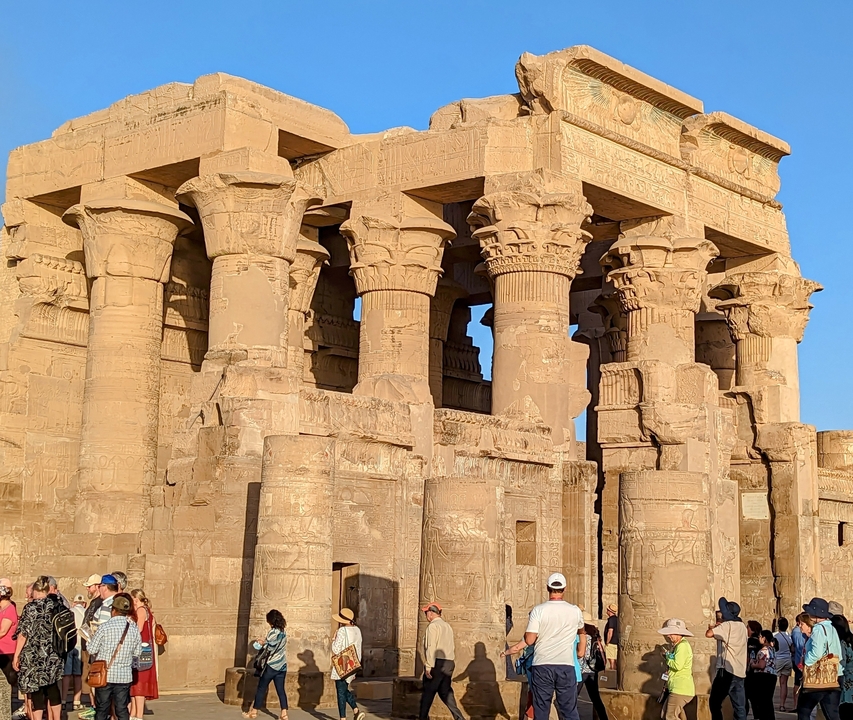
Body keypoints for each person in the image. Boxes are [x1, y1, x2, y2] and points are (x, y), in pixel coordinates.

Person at [501, 572, 585, 720]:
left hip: (543, 664)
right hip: (565, 664)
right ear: (564, 589)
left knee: (541, 710)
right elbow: (582, 631)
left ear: (548, 588)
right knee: (569, 710)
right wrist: (581, 649)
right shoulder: (575, 611)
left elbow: (530, 639)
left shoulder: (538, 610)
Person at [11, 576, 65, 720]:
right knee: (53, 688)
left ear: (35, 590)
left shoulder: (31, 608)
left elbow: (23, 634)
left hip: (33, 655)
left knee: (36, 691)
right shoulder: (57, 605)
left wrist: (16, 655)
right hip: (53, 654)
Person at [87, 593, 142, 720]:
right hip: (124, 676)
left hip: (105, 675)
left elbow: (91, 649)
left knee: (102, 708)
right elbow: (137, 652)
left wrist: (91, 640)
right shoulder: (133, 629)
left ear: (114, 610)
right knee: (122, 709)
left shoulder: (104, 627)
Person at [796, 599, 843, 720]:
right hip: (834, 675)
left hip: (818, 677)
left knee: (803, 711)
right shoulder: (832, 627)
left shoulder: (818, 629)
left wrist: (805, 662)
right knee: (832, 714)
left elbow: (816, 653)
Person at [419, 603, 463, 720]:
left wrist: (429, 666)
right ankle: (459, 718)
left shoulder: (433, 627)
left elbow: (431, 646)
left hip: (437, 663)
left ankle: (422, 718)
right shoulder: (447, 626)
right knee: (445, 692)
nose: (425, 615)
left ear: (431, 613)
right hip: (448, 662)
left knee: (428, 692)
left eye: (426, 612)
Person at [706, 597, 747, 720]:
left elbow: (709, 634)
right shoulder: (742, 626)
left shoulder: (727, 625)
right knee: (740, 707)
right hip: (739, 671)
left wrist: (714, 627)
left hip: (726, 671)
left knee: (715, 703)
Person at [242, 609, 287, 720]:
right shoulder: (283, 633)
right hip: (282, 665)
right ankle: (284, 714)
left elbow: (270, 648)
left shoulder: (273, 633)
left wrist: (261, 643)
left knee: (261, 688)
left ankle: (254, 712)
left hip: (271, 665)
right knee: (281, 690)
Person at [129, 590, 159, 720]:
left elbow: (138, 629)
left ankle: (138, 714)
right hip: (145, 649)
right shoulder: (147, 610)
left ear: (136, 599)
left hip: (141, 650)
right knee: (136, 682)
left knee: (139, 681)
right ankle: (134, 713)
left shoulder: (141, 610)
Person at [331, 608, 364, 720]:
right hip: (353, 663)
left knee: (340, 691)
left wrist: (333, 639)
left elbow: (336, 649)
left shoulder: (342, 631)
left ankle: (343, 718)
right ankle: (356, 710)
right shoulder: (357, 630)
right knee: (344, 689)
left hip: (342, 664)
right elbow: (358, 649)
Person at [658, 618, 694, 720]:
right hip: (677, 688)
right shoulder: (678, 646)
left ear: (679, 633)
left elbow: (678, 665)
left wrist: (667, 658)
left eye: (671, 633)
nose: (668, 636)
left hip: (680, 689)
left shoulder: (682, 646)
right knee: (669, 714)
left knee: (670, 716)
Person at [578, 613, 608, 720]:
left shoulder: (584, 637)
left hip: (582, 670)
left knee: (572, 699)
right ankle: (604, 718)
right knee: (596, 699)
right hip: (593, 670)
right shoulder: (596, 636)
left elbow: (583, 654)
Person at [60, 593, 85, 713]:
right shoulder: (86, 612)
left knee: (66, 674)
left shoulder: (70, 611)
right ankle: (77, 701)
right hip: (81, 644)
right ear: (84, 603)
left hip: (70, 644)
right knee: (78, 674)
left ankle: (64, 700)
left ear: (74, 603)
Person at [750, 630, 777, 720]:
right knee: (768, 700)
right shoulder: (772, 649)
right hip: (772, 675)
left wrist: (753, 665)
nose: (759, 638)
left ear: (764, 638)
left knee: (762, 700)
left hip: (763, 676)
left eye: (760, 636)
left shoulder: (763, 651)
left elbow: (762, 665)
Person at [0, 582, 18, 720]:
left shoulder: (10, 609)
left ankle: (5, 715)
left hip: (6, 652)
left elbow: (3, 631)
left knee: (5, 685)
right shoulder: (1, 609)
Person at [830, 614, 853, 720]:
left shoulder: (842, 643)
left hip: (846, 682)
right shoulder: (851, 640)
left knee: (845, 712)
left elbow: (841, 663)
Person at [775, 618, 794, 712]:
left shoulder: (775, 636)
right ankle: (782, 705)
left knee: (772, 682)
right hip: (787, 660)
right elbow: (792, 649)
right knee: (784, 684)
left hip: (778, 660)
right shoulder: (789, 637)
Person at [745, 620, 763, 718]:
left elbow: (749, 657)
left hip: (751, 673)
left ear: (751, 630)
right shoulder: (760, 642)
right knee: (756, 699)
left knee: (746, 697)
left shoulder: (750, 642)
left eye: (747, 627)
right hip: (759, 674)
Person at [604, 604, 618, 671]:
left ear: (609, 611)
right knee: (615, 660)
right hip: (616, 642)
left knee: (612, 661)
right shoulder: (617, 619)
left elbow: (610, 631)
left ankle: (613, 676)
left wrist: (607, 641)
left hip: (611, 642)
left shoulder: (611, 619)